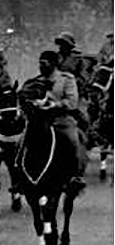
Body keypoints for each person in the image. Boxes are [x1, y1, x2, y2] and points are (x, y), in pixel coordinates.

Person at [33, 50, 88, 194]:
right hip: (42, 120)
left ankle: (76, 176)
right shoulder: (37, 80)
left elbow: (72, 102)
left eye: (44, 63)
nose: (41, 66)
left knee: (73, 141)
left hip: (61, 120)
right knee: (23, 141)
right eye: (40, 63)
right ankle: (22, 175)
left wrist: (54, 105)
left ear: (53, 64)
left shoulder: (67, 79)